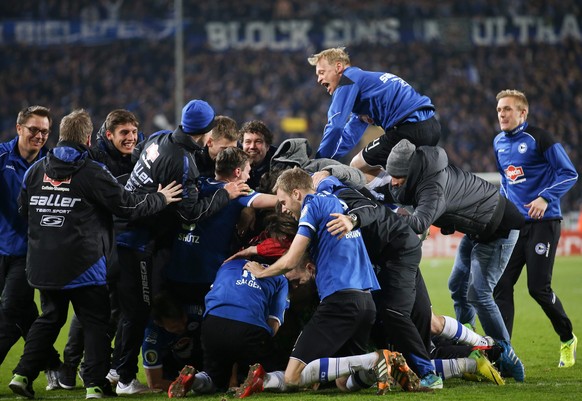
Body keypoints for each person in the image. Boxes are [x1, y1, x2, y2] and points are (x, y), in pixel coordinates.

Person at [8, 109, 182, 400]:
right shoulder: (92, 172)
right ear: (89, 138)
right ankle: (94, 385)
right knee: (96, 322)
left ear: (61, 135)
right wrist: (160, 198)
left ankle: (22, 375)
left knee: (49, 318)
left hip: (42, 264)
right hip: (83, 263)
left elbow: (24, 210)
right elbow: (127, 206)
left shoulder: (35, 170)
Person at [238, 168, 418, 397]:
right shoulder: (338, 203)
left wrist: (261, 272)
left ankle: (376, 359)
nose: (283, 209)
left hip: (339, 300)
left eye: (283, 202)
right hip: (364, 302)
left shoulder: (311, 205)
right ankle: (378, 370)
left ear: (296, 194)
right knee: (344, 382)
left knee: (293, 376)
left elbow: (292, 259)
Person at [114, 99, 250, 395]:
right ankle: (123, 377)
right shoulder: (182, 160)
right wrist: (226, 194)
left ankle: (116, 372)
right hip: (135, 239)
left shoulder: (159, 138)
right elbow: (191, 212)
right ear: (206, 130)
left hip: (126, 233)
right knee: (138, 310)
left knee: (128, 308)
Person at [383, 139, 526, 382]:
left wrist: (381, 217)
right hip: (478, 229)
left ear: (412, 171)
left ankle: (504, 352)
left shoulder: (433, 186)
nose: (393, 181)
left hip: (499, 226)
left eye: (398, 176)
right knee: (457, 286)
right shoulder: (421, 175)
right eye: (391, 175)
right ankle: (469, 339)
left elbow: (418, 223)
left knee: (479, 293)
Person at [492, 89, 578, 368]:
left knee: (538, 288)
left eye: (507, 109)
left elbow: (569, 173)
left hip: (544, 223)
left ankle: (567, 338)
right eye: (499, 110)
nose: (502, 114)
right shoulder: (497, 143)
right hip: (516, 226)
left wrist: (544, 197)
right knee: (501, 286)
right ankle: (504, 353)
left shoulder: (540, 139)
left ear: (522, 113)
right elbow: (506, 182)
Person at [58, 109, 143, 389]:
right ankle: (70, 367)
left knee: (112, 308)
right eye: (124, 134)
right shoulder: (93, 159)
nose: (131, 138)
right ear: (108, 135)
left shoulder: (137, 154)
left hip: (119, 240)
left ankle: (91, 368)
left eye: (133, 132)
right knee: (92, 306)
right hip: (97, 242)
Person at [0, 105, 61, 389]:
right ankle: (52, 364)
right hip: (2, 248)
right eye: (34, 130)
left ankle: (27, 372)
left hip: (29, 253)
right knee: (24, 313)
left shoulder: (52, 164)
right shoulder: (1, 158)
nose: (39, 136)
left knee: (10, 309)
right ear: (19, 128)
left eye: (45, 131)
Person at [166, 257, 289, 397]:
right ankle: (263, 379)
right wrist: (261, 345)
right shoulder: (280, 277)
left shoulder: (227, 265)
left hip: (212, 324)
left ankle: (194, 380)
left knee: (214, 378)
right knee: (287, 375)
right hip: (250, 328)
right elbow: (274, 323)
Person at [306, 47, 440, 171]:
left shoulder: (348, 78)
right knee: (401, 174)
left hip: (408, 128)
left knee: (357, 165)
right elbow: (350, 136)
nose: (319, 79)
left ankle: (381, 197)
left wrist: (318, 163)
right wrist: (327, 159)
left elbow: (335, 125)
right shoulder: (366, 87)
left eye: (321, 73)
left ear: (338, 67)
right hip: (431, 127)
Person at [239, 120, 277, 190]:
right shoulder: (233, 162)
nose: (252, 147)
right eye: (248, 142)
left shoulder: (279, 165)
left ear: (267, 146)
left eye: (258, 142)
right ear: (242, 145)